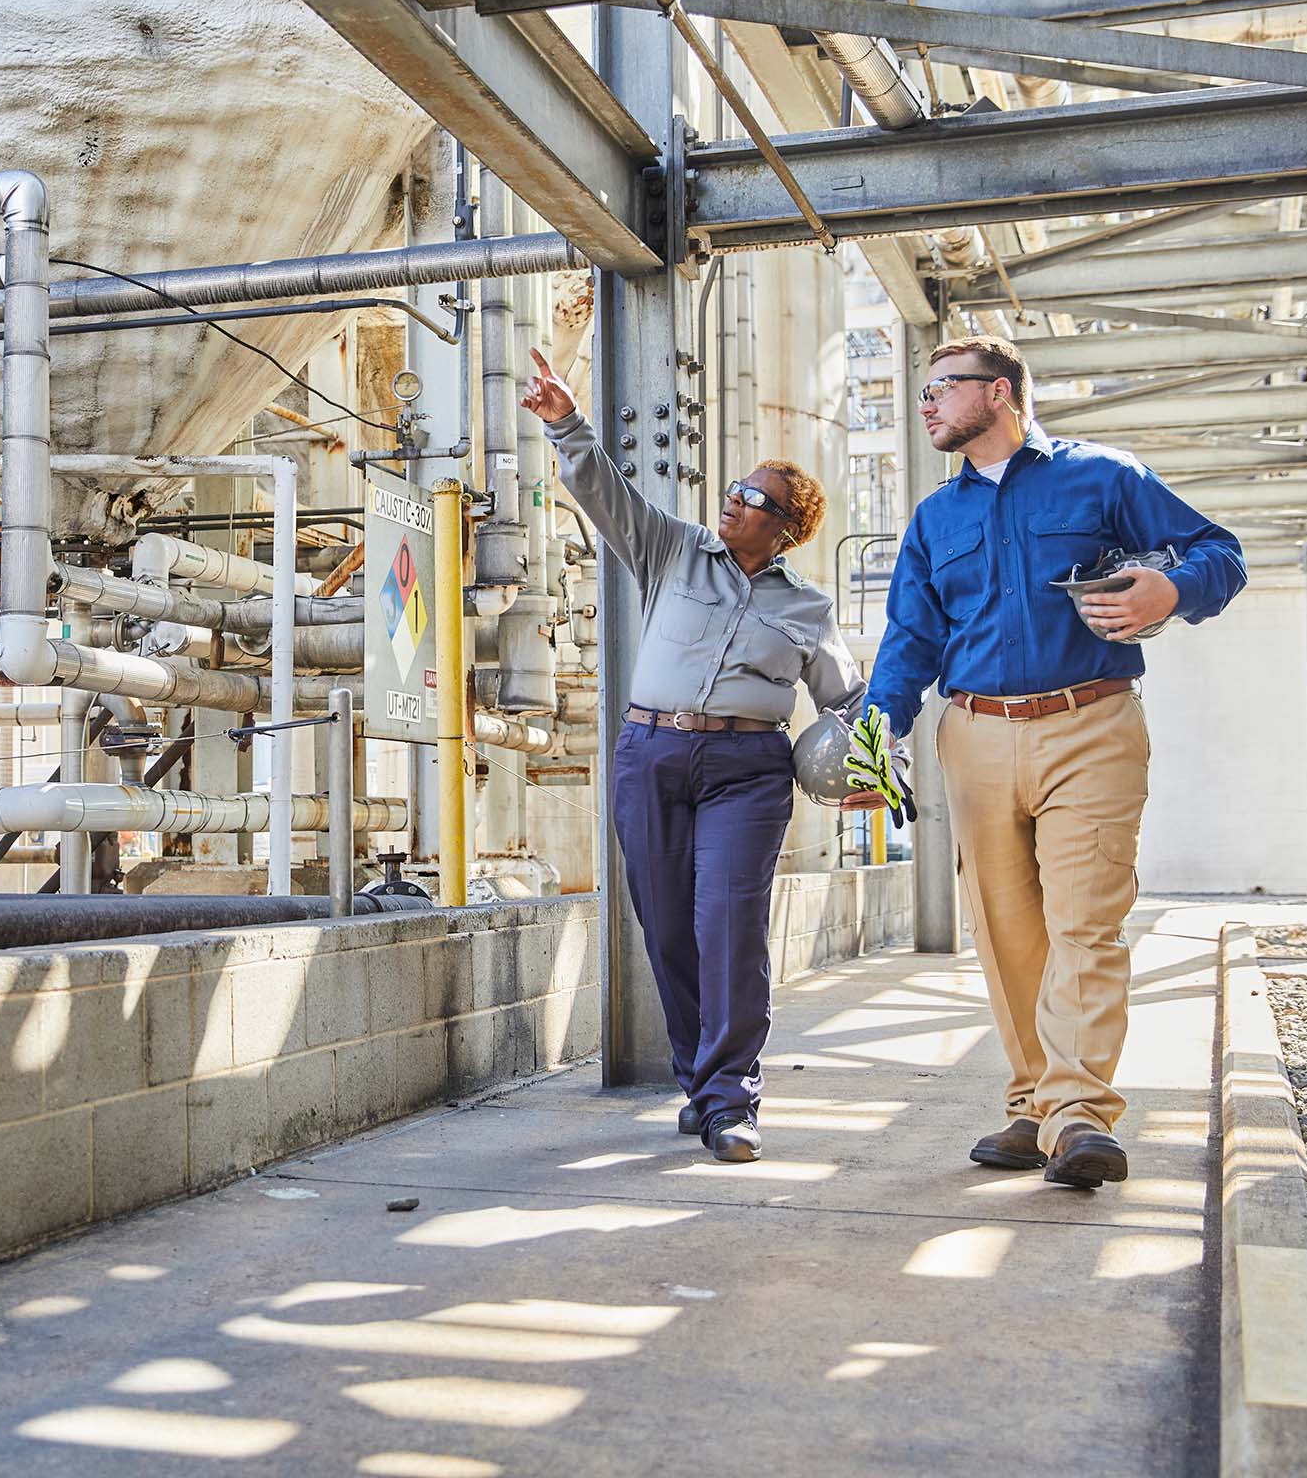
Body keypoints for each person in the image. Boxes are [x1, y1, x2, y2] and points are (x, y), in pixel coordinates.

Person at [867, 334, 1246, 1189]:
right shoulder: (937, 519)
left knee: (1086, 920)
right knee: (1007, 932)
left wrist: (1172, 590)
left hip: (1091, 721)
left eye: (942, 388)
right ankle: (1036, 1101)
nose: (926, 404)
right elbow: (910, 638)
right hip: (974, 732)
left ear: (998, 392)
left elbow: (1220, 552)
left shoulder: (1103, 476)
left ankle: (1080, 1114)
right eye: (923, 392)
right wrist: (873, 736)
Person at [521, 347, 876, 1164]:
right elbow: (605, 496)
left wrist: (868, 776)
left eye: (754, 497)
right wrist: (566, 423)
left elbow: (847, 700)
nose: (734, 499)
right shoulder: (674, 550)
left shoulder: (808, 607)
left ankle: (729, 1102)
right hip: (650, 754)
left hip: (748, 775)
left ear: (785, 528)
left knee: (728, 927)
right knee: (669, 933)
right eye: (735, 488)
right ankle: (701, 1086)